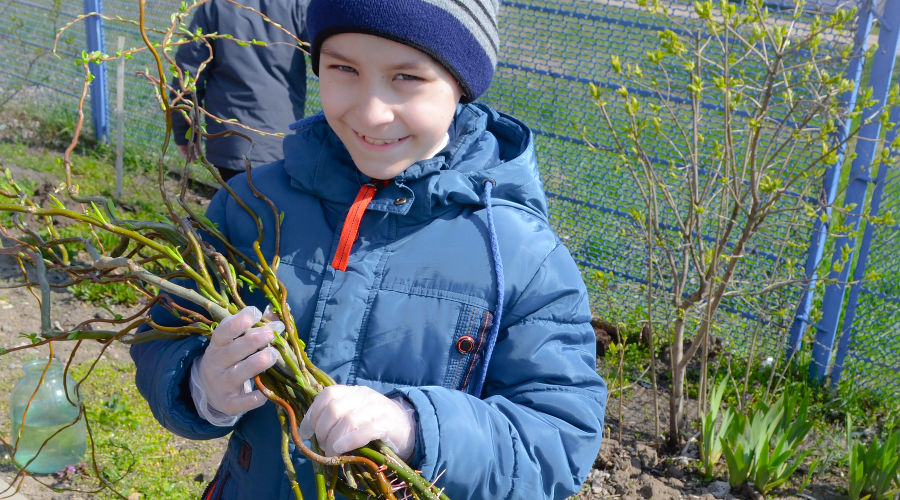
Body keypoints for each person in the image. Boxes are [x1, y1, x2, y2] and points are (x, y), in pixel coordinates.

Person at [131, 0, 607, 498]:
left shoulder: (520, 255)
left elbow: (557, 439)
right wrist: (203, 386)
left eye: (407, 77)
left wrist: (416, 427)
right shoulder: (251, 206)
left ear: (460, 86)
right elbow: (164, 335)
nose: (372, 111)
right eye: (344, 69)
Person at [170, 0, 308, 181]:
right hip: (282, 138)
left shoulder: (215, 6)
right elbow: (331, 55)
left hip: (231, 140)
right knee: (274, 206)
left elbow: (188, 74)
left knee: (237, 203)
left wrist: (185, 132)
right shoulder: (300, 6)